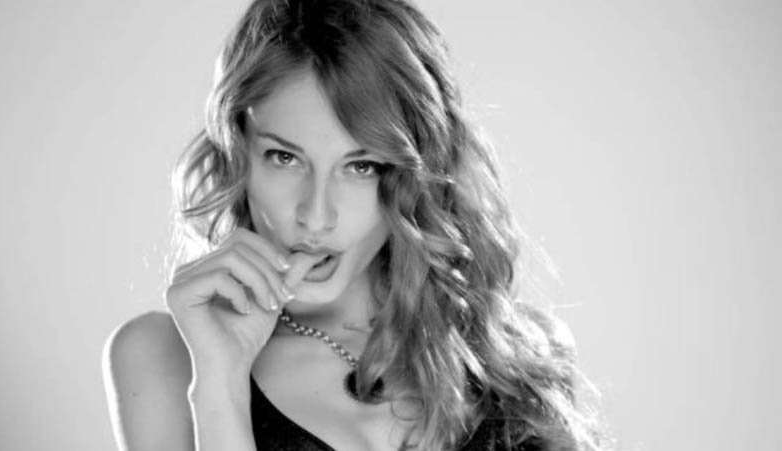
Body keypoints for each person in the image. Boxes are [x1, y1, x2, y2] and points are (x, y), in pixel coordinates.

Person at [103, 0, 610, 450]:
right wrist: (220, 383)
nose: (316, 215)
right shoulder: (165, 356)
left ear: (414, 174)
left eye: (360, 166)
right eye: (284, 157)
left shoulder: (520, 351)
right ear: (236, 155)